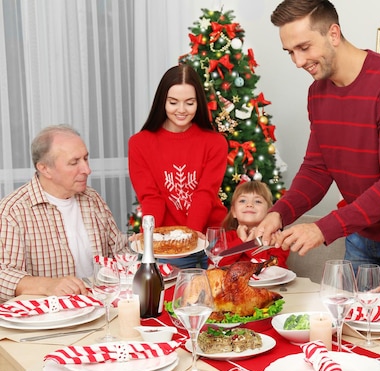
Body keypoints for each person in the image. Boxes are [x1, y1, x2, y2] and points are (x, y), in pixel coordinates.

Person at [258, 0, 380, 298]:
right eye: (290, 52)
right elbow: (317, 169)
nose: (297, 61)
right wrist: (279, 213)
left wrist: (323, 229)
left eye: (304, 47)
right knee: (351, 326)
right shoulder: (317, 92)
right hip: (361, 228)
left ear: (333, 34)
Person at [0, 124, 126, 303]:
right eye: (74, 162)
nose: (86, 170)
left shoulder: (92, 198)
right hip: (48, 320)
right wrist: (48, 285)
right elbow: (2, 275)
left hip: (100, 309)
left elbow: (119, 253)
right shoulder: (13, 212)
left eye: (85, 159)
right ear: (45, 168)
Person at [129, 64, 228, 269]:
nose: (181, 110)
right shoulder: (140, 144)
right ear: (162, 102)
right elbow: (150, 197)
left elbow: (205, 193)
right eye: (173, 102)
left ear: (198, 103)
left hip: (208, 238)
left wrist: (190, 237)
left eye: (189, 103)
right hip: (166, 243)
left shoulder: (215, 143)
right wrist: (150, 235)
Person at [220, 181, 290, 268]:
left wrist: (251, 244)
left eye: (258, 201)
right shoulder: (225, 238)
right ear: (234, 211)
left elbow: (277, 267)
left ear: (269, 212)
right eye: (242, 200)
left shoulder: (276, 239)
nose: (249, 204)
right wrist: (241, 241)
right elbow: (217, 263)